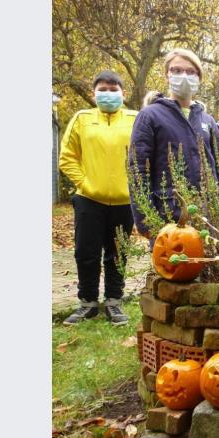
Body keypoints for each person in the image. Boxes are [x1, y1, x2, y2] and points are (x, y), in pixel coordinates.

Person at [59, 70, 138, 326]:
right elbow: (67, 157)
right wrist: (85, 184)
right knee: (86, 252)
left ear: (123, 93)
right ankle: (88, 304)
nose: (108, 94)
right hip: (89, 200)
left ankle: (114, 301)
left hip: (124, 201)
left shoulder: (136, 119)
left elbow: (146, 153)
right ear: (93, 94)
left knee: (117, 253)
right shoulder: (82, 119)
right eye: (102, 89)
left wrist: (136, 186)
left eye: (114, 90)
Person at [129, 48, 219, 237]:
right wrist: (145, 219)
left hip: (207, 216)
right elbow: (137, 170)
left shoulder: (207, 120)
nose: (184, 76)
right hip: (168, 216)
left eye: (191, 72)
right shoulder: (150, 116)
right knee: (174, 256)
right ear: (167, 74)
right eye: (177, 70)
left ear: (199, 77)